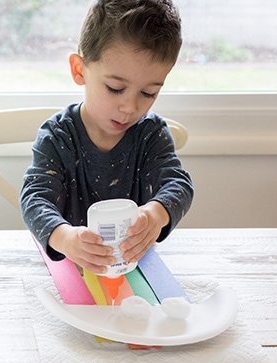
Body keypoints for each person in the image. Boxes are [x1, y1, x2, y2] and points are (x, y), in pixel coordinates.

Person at [20, 0, 194, 275]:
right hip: (71, 269)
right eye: (115, 88)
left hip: (133, 270)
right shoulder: (57, 136)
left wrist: (155, 214)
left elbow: (178, 184)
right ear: (80, 70)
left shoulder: (151, 134)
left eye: (148, 93)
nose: (130, 107)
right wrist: (64, 237)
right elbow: (35, 198)